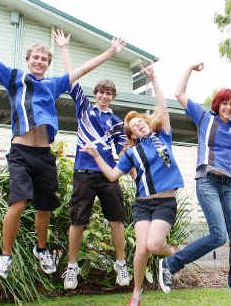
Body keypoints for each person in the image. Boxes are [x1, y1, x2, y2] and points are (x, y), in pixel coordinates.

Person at [0, 16, 126, 279]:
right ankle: (5, 256)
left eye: (44, 59)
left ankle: (41, 249)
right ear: (28, 60)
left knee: (44, 205)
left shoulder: (53, 84)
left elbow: (82, 71)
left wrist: (111, 52)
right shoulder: (14, 78)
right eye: (35, 58)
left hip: (44, 154)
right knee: (18, 201)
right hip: (21, 153)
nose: (39, 62)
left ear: (48, 65)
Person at [158, 62, 231, 306]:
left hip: (227, 186)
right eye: (225, 103)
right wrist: (189, 69)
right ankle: (171, 263)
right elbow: (179, 94)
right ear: (218, 105)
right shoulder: (205, 117)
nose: (228, 107)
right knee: (219, 236)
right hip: (206, 181)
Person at [81, 63, 182, 306]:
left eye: (141, 121)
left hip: (165, 202)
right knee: (141, 249)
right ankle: (136, 293)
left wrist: (154, 79)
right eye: (134, 126)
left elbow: (163, 107)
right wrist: (96, 156)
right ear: (133, 134)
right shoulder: (130, 153)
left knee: (155, 244)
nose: (139, 124)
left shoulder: (163, 137)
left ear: (148, 124)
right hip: (142, 205)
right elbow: (113, 176)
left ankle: (175, 255)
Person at [53, 30, 130, 290]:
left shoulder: (118, 123)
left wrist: (131, 172)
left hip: (107, 174)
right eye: (101, 92)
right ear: (95, 94)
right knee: (78, 221)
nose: (105, 96)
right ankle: (72, 267)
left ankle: (121, 264)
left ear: (113, 96)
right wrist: (63, 48)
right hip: (83, 173)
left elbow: (123, 154)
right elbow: (72, 76)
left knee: (116, 220)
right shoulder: (84, 108)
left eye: (109, 93)